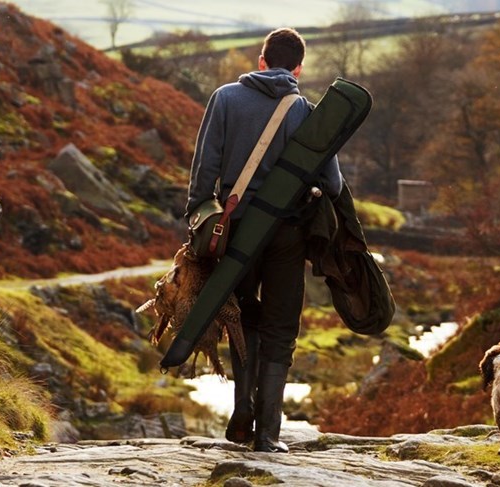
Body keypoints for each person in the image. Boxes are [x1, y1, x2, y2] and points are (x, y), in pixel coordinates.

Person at [185, 28, 343, 453]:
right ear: (298, 69)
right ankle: (268, 434)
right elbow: (331, 182)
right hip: (287, 233)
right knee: (280, 327)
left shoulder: (224, 98)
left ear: (260, 61)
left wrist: (200, 220)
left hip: (236, 229)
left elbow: (204, 171)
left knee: (240, 318)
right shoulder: (306, 112)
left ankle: (241, 411)